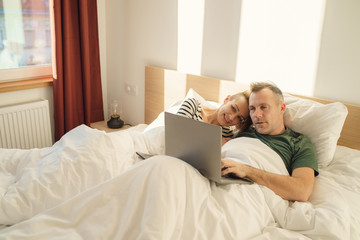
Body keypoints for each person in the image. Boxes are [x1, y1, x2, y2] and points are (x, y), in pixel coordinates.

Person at [221, 82, 318, 202]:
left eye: (264, 107)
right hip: (219, 177)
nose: (257, 115)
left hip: (248, 194)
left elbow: (302, 191)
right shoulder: (243, 132)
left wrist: (246, 170)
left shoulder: (299, 143)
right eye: (252, 109)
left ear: (281, 108)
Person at [177, 91, 252, 145]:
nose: (232, 118)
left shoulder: (227, 135)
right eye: (233, 108)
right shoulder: (193, 105)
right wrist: (214, 143)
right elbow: (175, 134)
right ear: (227, 99)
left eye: (239, 118)